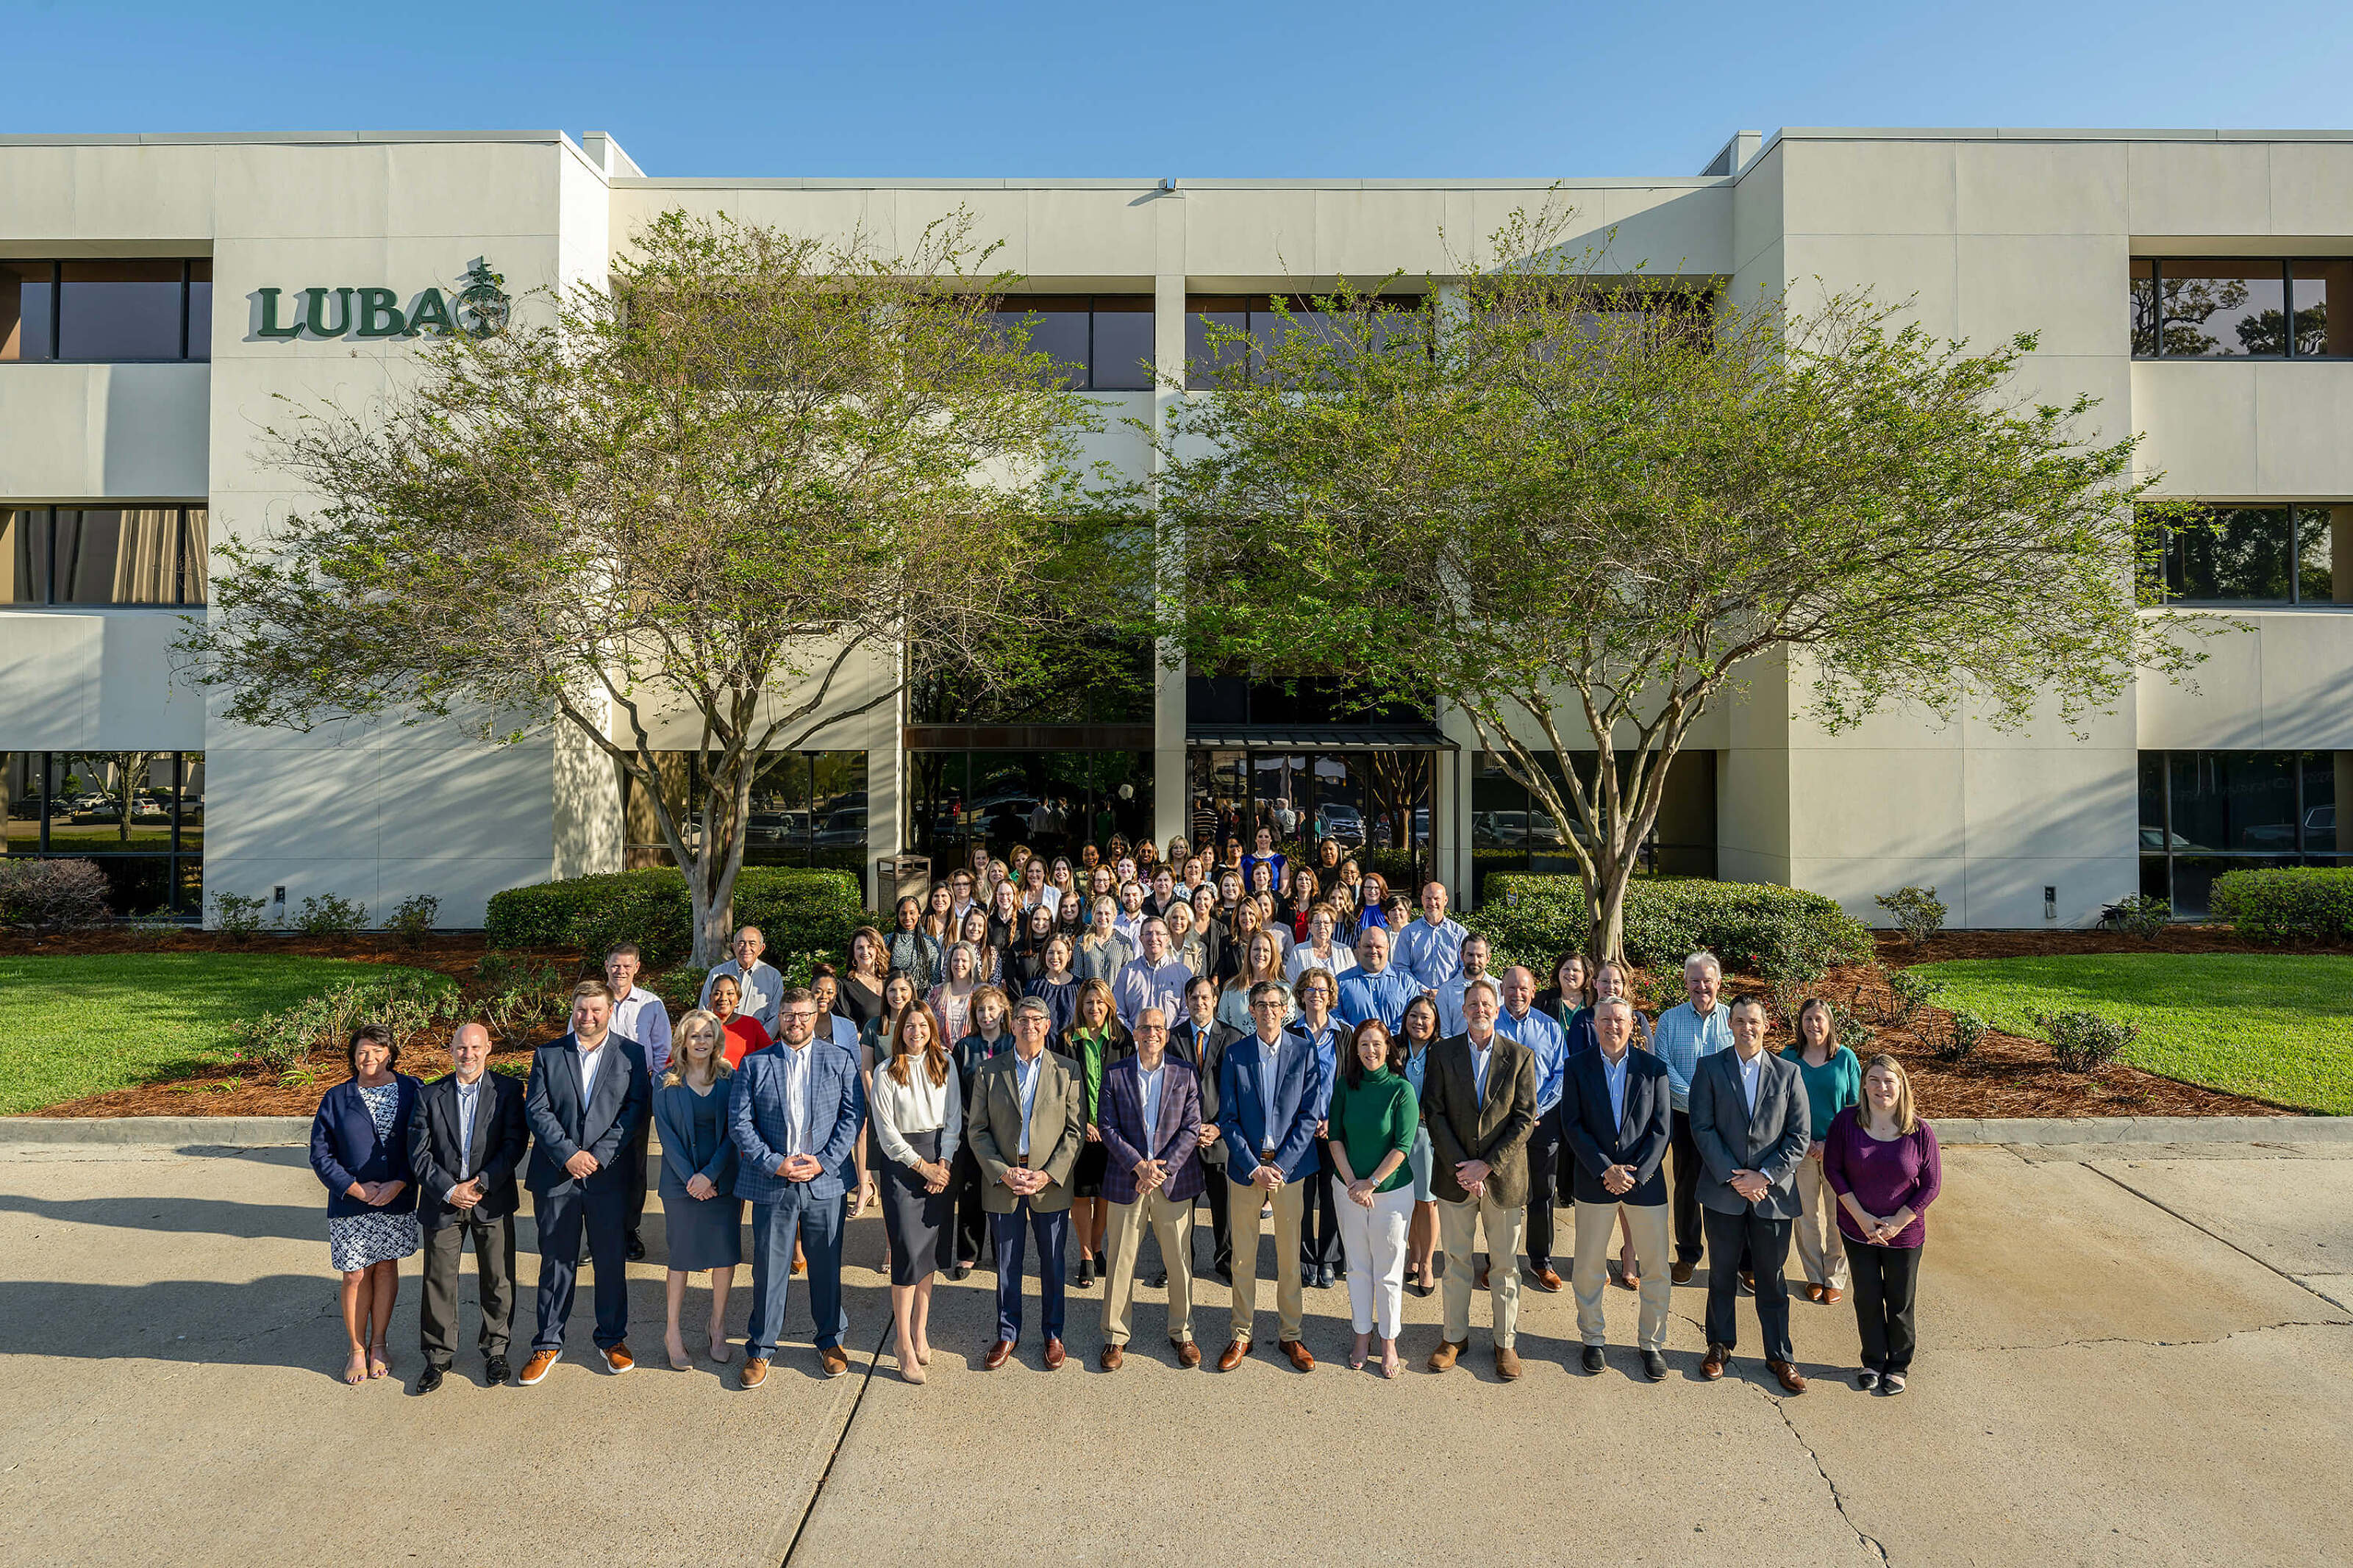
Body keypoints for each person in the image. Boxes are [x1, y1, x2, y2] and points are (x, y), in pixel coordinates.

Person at [730, 988, 865, 1386]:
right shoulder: (755, 1064)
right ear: (780, 1018)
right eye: (789, 1015)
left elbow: (852, 1116)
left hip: (825, 1179)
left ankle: (830, 1341)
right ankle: (761, 1347)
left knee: (826, 1266)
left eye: (804, 1015)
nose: (796, 1022)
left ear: (815, 1017)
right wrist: (774, 1163)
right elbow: (740, 1122)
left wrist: (824, 1161)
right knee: (769, 1269)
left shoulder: (839, 1060)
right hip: (774, 1181)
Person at [520, 981, 652, 1384]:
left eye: (596, 1010)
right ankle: (548, 1342)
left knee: (610, 1262)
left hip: (608, 1176)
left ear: (610, 1011)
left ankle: (612, 1338)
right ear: (573, 1011)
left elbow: (635, 1111)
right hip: (557, 1175)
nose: (588, 1017)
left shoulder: (631, 1054)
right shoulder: (548, 1054)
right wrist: (569, 1155)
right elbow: (537, 1110)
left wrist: (597, 1155)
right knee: (556, 1262)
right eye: (581, 1009)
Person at [1690, 995, 1813, 1394]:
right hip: (1724, 1193)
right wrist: (1735, 1178)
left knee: (1772, 1278)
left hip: (1772, 1197)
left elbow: (1799, 1136)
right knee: (1721, 1274)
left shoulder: (1788, 1073)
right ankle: (1719, 1346)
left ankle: (1780, 1355)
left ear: (1766, 1025)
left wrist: (1764, 1177)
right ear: (1730, 1024)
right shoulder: (1710, 1068)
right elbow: (1702, 1128)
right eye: (1740, 1021)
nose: (1747, 1028)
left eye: (1754, 1021)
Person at [1421, 976, 1537, 1379]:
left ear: (1497, 1009)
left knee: (1504, 1266)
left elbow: (1524, 1119)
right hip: (1455, 1177)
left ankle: (1505, 1343)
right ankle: (1454, 1337)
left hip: (1503, 1179)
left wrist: (1486, 1166)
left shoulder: (1520, 1056)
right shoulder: (1443, 1053)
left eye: (1487, 1003)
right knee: (1456, 1262)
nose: (1480, 1010)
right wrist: (1463, 1166)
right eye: (1473, 1004)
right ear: (1463, 1010)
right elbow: (1434, 1112)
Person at [1558, 998, 1674, 1381]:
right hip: (1596, 1180)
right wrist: (1605, 1169)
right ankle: (1592, 1338)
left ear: (1631, 1024)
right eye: (1605, 1019)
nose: (1612, 1025)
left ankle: (1651, 1343)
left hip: (1645, 1183)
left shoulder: (1653, 1068)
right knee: (1588, 1266)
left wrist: (1635, 1175)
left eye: (1620, 1019)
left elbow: (1661, 1129)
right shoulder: (1577, 1066)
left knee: (1655, 1267)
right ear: (1594, 1024)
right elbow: (1572, 1124)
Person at [407, 1021, 526, 1393]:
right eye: (461, 1047)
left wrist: (482, 1183)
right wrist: (449, 1190)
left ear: (488, 1049)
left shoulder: (507, 1090)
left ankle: (496, 1350)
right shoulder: (429, 1095)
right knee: (439, 1280)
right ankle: (438, 1356)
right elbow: (418, 1153)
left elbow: (514, 1143)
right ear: (451, 1050)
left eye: (475, 1047)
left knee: (498, 1276)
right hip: (443, 1201)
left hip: (491, 1198)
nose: (468, 1054)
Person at [970, 997, 1086, 1370]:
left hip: (1048, 1184)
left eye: (1037, 1019)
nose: (1029, 1026)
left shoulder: (1067, 1070)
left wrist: (1048, 1174)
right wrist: (1003, 1172)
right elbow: (977, 1130)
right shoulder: (989, 1071)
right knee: (1007, 1264)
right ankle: (1008, 1333)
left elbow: (1075, 1131)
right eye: (1022, 1019)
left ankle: (1053, 1333)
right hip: (1004, 1182)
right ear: (1012, 1024)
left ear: (1048, 1025)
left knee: (1053, 1264)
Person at [1215, 980, 1326, 1372]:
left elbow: (1309, 1115)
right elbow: (1228, 1119)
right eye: (1260, 1004)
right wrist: (1254, 1167)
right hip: (1247, 1167)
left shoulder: (1303, 1050)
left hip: (1289, 1170)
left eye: (1274, 1004)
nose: (1267, 1011)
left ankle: (1290, 1334)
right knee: (1243, 1257)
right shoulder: (1236, 1054)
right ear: (1251, 1010)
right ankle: (1241, 1333)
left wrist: (1279, 1167)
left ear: (1285, 1010)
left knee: (1289, 1258)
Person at [311, 1023, 423, 1386]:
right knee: (356, 1273)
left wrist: (401, 1181)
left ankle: (379, 1344)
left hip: (396, 1197)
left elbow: (424, 1143)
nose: (369, 1057)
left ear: (390, 1053)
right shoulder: (336, 1097)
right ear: (353, 1057)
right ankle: (356, 1349)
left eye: (377, 1050)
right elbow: (321, 1155)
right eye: (362, 1052)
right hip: (352, 1201)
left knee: (386, 1268)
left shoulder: (413, 1089)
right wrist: (355, 1188)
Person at [1095, 1007, 1204, 1369]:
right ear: (1135, 1033)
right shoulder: (1115, 1073)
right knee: (1120, 1261)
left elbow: (1191, 1127)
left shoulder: (1185, 1073)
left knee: (1179, 1262)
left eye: (1158, 1027)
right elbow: (1107, 1127)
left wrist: (1162, 1168)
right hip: (1128, 1178)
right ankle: (1115, 1336)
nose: (1151, 1033)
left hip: (1172, 1181)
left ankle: (1182, 1332)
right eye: (1145, 1027)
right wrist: (1138, 1165)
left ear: (1167, 1035)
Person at [1825, 1056, 1942, 1395]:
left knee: (1900, 1300)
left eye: (1889, 1081)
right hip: (1857, 1229)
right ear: (1863, 1085)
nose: (1882, 1088)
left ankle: (1899, 1365)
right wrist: (1862, 1219)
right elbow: (1833, 1170)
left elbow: (1931, 1184)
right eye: (1874, 1080)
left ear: (1901, 1086)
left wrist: (1897, 1222)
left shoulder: (1919, 1131)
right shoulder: (1846, 1123)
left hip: (1904, 1235)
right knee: (1867, 1298)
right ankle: (1873, 1361)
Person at [869, 1001, 963, 1383]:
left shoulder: (946, 1064)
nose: (916, 1032)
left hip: (940, 1160)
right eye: (909, 1026)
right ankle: (903, 1344)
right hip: (903, 1169)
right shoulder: (886, 1071)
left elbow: (954, 1118)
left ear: (932, 1029)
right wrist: (923, 1167)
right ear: (900, 1031)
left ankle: (920, 1331)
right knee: (907, 1257)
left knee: (929, 1257)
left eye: (922, 1025)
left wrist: (945, 1163)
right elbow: (886, 1133)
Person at [1327, 1020, 1418, 1378]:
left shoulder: (1401, 1089)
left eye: (1377, 1044)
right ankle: (1362, 1334)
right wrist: (1353, 1183)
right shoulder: (1345, 1087)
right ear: (1356, 1049)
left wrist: (1372, 1183)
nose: (1370, 1051)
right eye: (1363, 1044)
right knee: (1358, 1267)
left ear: (1388, 1048)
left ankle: (1389, 1341)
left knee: (1389, 1271)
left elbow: (1402, 1145)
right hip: (1348, 1190)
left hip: (1391, 1193)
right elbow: (1335, 1137)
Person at [652, 1009, 741, 1370]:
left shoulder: (730, 1077)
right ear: (683, 1041)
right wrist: (693, 1178)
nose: (701, 1041)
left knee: (724, 1256)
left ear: (716, 1040)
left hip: (722, 1183)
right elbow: (667, 1137)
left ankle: (717, 1327)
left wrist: (710, 1176)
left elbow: (735, 1131)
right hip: (680, 1184)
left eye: (707, 1035)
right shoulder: (665, 1081)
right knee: (681, 1257)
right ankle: (672, 1332)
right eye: (695, 1035)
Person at [1654, 951, 1734, 1284]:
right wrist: (1698, 1101)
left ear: (1719, 982)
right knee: (1686, 1187)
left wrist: (1717, 1105)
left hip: (1726, 1120)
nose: (1702, 986)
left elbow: (1741, 1062)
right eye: (1695, 980)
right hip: (1684, 1117)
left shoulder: (1733, 1019)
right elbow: (1663, 1064)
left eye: (1707, 980)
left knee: (1729, 1184)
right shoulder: (1670, 1020)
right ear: (1685, 982)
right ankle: (1688, 1254)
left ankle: (1736, 1258)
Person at [1496, 965, 1570, 1294]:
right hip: (1500, 1126)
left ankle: (1541, 1261)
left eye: (1523, 988)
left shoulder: (1550, 1027)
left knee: (1543, 1193)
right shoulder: (1490, 1025)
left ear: (1533, 991)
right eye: (1511, 988)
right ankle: (1498, 1260)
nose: (1517, 994)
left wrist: (1535, 1110)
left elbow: (1561, 1073)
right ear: (1502, 990)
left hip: (1542, 1121)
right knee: (1501, 1194)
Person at [1790, 998, 1863, 1306]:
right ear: (1801, 1022)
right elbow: (1782, 1105)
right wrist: (1805, 1141)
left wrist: (1829, 1143)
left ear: (1829, 1023)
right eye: (1808, 1019)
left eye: (1819, 1019)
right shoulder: (1789, 1057)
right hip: (1801, 1150)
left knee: (1838, 1215)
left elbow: (1855, 1108)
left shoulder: (1845, 1058)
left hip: (1838, 1151)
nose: (1813, 1025)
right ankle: (1814, 1276)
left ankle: (1834, 1277)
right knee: (1806, 1215)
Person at [1168, 975, 1238, 1284]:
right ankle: (1180, 1263)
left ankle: (1226, 1261)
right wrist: (1189, 1129)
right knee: (1181, 1208)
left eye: (1205, 997)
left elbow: (1238, 1091)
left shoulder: (1233, 1038)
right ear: (1186, 1001)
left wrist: (1219, 1127)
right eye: (1194, 997)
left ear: (1215, 1001)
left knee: (1224, 1206)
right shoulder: (1173, 1039)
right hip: (1183, 1139)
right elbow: (1168, 1091)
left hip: (1220, 1135)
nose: (1200, 1003)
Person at [604, 941, 671, 1264]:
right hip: (599, 1093)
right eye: (616, 965)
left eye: (627, 965)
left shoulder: (651, 1004)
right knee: (599, 1162)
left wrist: (654, 1089)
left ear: (637, 968)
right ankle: (602, 1232)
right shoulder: (593, 999)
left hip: (637, 1091)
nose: (621, 971)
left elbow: (662, 1050)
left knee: (634, 1163)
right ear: (606, 966)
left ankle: (630, 1229)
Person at [1063, 977, 1132, 1288]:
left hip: (1112, 1131)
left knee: (1104, 1193)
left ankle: (1098, 1246)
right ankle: (1086, 1254)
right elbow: (1060, 1088)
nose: (1094, 1007)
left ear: (1109, 1006)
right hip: (1079, 1129)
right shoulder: (1067, 1039)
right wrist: (1083, 1124)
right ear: (1081, 1005)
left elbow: (1129, 1086)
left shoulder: (1122, 1039)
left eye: (1100, 1002)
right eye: (1089, 1002)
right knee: (1081, 1193)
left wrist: (1109, 1125)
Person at [947, 984, 1015, 1279]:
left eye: (991, 1009)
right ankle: (968, 1254)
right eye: (980, 1010)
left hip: (1006, 1133)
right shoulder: (964, 1047)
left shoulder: (1013, 1043)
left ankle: (1003, 1252)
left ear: (1002, 1012)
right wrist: (969, 1126)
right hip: (971, 1133)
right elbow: (956, 1092)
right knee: (970, 1193)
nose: (986, 1015)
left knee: (1003, 1191)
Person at [1290, 968, 1346, 1290]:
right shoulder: (1289, 1032)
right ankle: (1304, 1256)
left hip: (1333, 1130)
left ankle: (1327, 1258)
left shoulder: (1344, 1035)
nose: (1316, 995)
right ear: (1301, 994)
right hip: (1299, 1130)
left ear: (1330, 996)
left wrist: (1333, 1120)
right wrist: (1305, 1120)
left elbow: (1348, 1084)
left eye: (1322, 990)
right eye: (1310, 989)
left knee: (1331, 1196)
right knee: (1301, 1196)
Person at [1396, 995, 1443, 1295]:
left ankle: (1426, 1262)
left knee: (1426, 1201)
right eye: (1413, 1015)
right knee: (1407, 1200)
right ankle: (1412, 1255)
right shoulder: (1394, 1048)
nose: (1418, 1022)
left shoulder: (1443, 1051)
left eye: (1425, 1017)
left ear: (1435, 1023)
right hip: (1399, 1136)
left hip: (1427, 1135)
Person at [1112, 917, 1192, 1035]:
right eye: (1148, 933)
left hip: (1172, 1042)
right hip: (1135, 1043)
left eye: (1159, 933)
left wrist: (1171, 1036)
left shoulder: (1183, 973)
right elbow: (1118, 1012)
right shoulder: (1127, 973)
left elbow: (1188, 1011)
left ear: (1167, 938)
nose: (1154, 938)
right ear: (1140, 939)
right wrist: (1134, 1036)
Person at [1335, 924, 1416, 1035]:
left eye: (1378, 947)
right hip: (1354, 1044)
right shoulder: (1340, 982)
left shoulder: (1406, 983)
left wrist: (1387, 1038)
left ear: (1387, 947)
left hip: (1397, 1044)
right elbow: (1335, 1015)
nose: (1373, 951)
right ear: (1359, 946)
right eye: (1368, 946)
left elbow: (1413, 1015)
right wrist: (1359, 1037)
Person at [699, 926, 783, 1034]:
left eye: (752, 943)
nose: (746, 948)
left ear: (761, 948)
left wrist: (760, 1041)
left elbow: (775, 1016)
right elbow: (704, 1011)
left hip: (757, 1039)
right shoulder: (716, 974)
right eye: (741, 943)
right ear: (733, 947)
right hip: (721, 1038)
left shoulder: (773, 977)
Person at [1391, 881, 1467, 992]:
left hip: (1451, 996)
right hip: (1417, 995)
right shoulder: (1408, 933)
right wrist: (1422, 989)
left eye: (1437, 899)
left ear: (1445, 900)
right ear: (1422, 900)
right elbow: (1401, 967)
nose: (1432, 903)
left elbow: (1465, 967)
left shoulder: (1459, 933)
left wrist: (1445, 990)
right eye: (1428, 898)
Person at [1217, 927, 1291, 1031]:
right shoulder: (1232, 987)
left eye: (1266, 950)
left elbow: (1289, 1027)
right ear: (1249, 953)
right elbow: (1222, 1024)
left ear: (1273, 954)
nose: (1261, 954)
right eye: (1256, 949)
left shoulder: (1284, 989)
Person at [1433, 932, 1496, 1037]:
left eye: (1480, 956)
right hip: (1456, 1048)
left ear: (1488, 958)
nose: (1475, 961)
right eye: (1470, 955)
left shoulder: (1500, 989)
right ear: (1462, 956)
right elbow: (1443, 1032)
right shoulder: (1446, 991)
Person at [710, 972, 773, 1070]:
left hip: (744, 1079)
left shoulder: (752, 1025)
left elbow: (771, 1056)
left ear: (738, 999)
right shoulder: (700, 1026)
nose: (723, 998)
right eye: (717, 993)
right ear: (710, 998)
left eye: (730, 993)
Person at [1284, 903, 1359, 983]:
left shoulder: (1345, 951)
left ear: (1333, 927)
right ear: (1310, 927)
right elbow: (1289, 982)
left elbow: (1354, 981)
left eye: (1326, 923)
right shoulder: (1298, 951)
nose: (1322, 927)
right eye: (1317, 923)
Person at [1024, 931, 1079, 1038]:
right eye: (1050, 952)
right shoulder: (1034, 986)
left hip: (1071, 1046)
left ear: (1069, 955)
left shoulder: (1079, 987)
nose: (1055, 957)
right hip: (1042, 1046)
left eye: (1060, 953)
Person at [887, 895, 943, 995]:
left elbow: (935, 979)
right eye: (903, 913)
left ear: (919, 914)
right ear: (898, 915)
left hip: (922, 998)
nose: (907, 917)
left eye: (912, 913)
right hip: (895, 996)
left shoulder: (930, 943)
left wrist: (924, 1002)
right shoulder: (887, 941)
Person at [927, 940, 981, 1045]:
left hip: (974, 1051)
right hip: (943, 1052)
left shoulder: (981, 992)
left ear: (972, 963)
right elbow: (930, 1026)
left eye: (964, 960)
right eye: (956, 960)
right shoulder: (937, 993)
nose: (959, 964)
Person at [1074, 895, 1135, 987]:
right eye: (1099, 913)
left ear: (1115, 915)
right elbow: (1077, 977)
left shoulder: (1124, 943)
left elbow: (1128, 978)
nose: (1103, 917)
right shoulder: (1082, 941)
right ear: (1093, 914)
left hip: (1115, 996)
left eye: (1107, 913)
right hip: (1089, 995)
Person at [840, 926, 891, 1028]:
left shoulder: (891, 980)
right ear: (853, 952)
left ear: (878, 949)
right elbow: (847, 1026)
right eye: (860, 948)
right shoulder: (845, 986)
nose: (865, 952)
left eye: (870, 946)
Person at [1007, 903, 1058, 993]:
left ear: (1050, 923)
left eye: (1045, 919)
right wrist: (1023, 1000)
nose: (1040, 923)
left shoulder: (1055, 949)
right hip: (1023, 998)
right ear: (1030, 921)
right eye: (1036, 919)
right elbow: (1012, 980)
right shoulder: (1018, 948)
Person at [1240, 823, 1288, 896]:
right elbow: (1240, 886)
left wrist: (1276, 900)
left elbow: (1285, 887)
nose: (1263, 839)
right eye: (1260, 836)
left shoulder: (1280, 860)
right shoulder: (1244, 861)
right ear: (1256, 839)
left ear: (1271, 839)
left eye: (1266, 837)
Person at [959, 906, 1001, 987]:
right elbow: (946, 978)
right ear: (965, 925)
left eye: (980, 925)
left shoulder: (991, 953)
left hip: (984, 994)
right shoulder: (954, 949)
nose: (975, 928)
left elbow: (995, 985)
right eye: (971, 924)